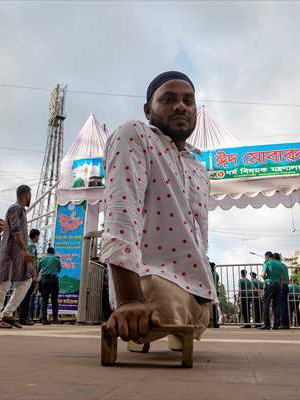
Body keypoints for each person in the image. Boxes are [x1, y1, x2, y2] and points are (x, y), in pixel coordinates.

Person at [100, 71, 217, 352]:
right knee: (160, 298)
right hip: (152, 288)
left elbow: (200, 237)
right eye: (168, 99)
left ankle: (183, 326)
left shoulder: (199, 169)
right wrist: (129, 299)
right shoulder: (135, 134)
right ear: (147, 109)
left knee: (194, 312)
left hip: (200, 297)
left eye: (188, 101)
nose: (181, 106)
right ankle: (141, 323)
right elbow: (121, 209)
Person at [0, 185, 37, 329]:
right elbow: (15, 230)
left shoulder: (21, 210)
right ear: (27, 195)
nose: (30, 197)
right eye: (30, 195)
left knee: (27, 280)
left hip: (18, 255)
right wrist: (24, 250)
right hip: (10, 253)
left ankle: (8, 313)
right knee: (4, 284)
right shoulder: (15, 208)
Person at [17, 228, 40, 325]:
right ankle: (23, 317)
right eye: (38, 236)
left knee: (26, 295)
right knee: (26, 296)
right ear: (36, 236)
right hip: (29, 273)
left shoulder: (30, 245)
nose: (39, 238)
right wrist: (34, 275)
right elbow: (30, 260)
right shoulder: (31, 246)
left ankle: (24, 316)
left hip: (28, 273)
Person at [259, 251, 285, 330]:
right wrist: (280, 288)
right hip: (278, 286)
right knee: (277, 305)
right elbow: (281, 278)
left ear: (267, 256)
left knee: (266, 304)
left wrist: (266, 279)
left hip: (269, 284)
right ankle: (276, 324)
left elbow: (262, 275)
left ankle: (266, 324)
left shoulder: (267, 263)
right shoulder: (279, 264)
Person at [38, 247, 62, 325]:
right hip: (53, 280)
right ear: (53, 252)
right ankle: (55, 319)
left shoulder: (42, 259)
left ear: (47, 252)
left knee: (44, 300)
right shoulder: (57, 259)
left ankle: (44, 319)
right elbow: (59, 270)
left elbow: (38, 269)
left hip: (44, 280)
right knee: (54, 300)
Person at [273, 253, 290, 329]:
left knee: (280, 305)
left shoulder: (276, 265)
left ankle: (282, 323)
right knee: (284, 305)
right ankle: (285, 323)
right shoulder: (284, 265)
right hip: (286, 285)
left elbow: (280, 276)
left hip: (281, 285)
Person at [210, 262, 220, 328]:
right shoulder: (216, 274)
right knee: (215, 307)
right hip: (216, 291)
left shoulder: (210, 273)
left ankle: (214, 322)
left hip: (212, 291)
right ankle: (216, 322)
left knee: (212, 307)